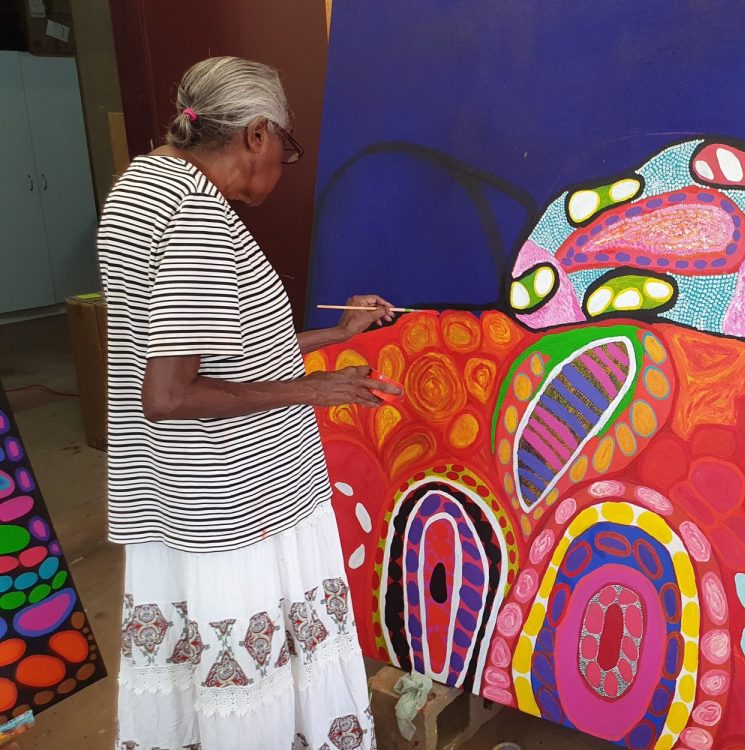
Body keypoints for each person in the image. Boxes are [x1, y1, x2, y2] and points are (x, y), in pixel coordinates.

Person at [97, 56, 397, 749]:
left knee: (208, 675)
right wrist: (316, 390)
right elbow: (169, 395)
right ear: (256, 134)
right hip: (238, 504)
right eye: (287, 147)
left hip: (181, 497)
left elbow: (222, 346)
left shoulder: (140, 187)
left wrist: (334, 333)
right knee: (256, 678)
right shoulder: (199, 216)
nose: (283, 164)